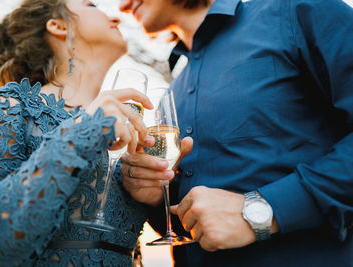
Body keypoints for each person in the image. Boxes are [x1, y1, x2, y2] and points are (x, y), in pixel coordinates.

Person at [119, 0, 353, 265]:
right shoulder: (171, 95)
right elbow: (196, 227)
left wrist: (262, 211)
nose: (124, 6)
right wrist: (155, 200)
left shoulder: (296, 12)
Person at [0, 0, 154, 266]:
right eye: (91, 5)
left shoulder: (124, 131)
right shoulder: (11, 106)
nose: (116, 19)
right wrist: (80, 134)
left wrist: (151, 198)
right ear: (58, 26)